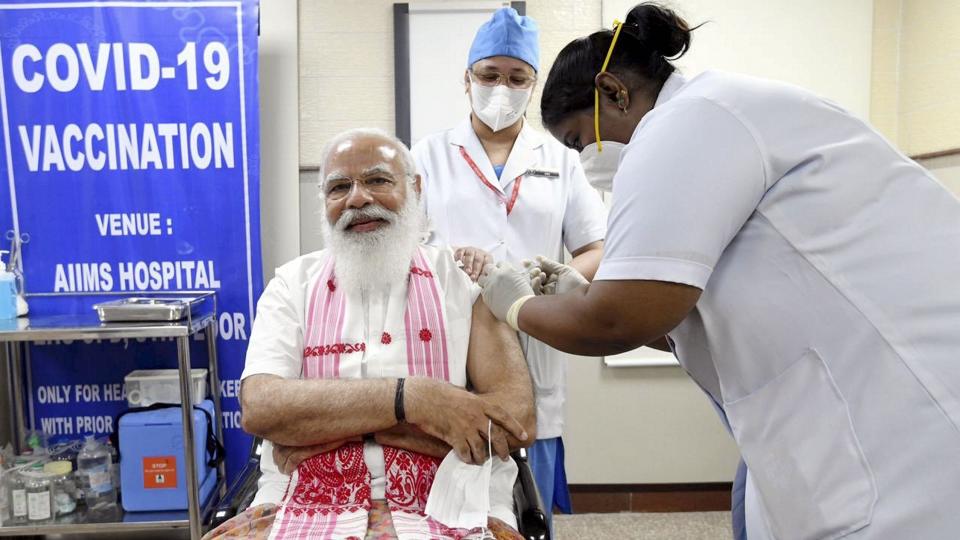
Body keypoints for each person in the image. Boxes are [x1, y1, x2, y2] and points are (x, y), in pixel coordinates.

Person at [478, 2, 960, 539]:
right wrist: (577, 292)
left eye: (578, 140)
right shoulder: (718, 113)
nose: (586, 158)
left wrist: (519, 306)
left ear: (613, 91)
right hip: (822, 399)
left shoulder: (689, 122)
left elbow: (617, 322)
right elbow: (684, 317)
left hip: (900, 417)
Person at [204, 128, 535, 540]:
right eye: (339, 187)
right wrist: (416, 400)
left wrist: (329, 425)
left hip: (449, 501)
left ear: (414, 188)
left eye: (377, 180)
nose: (357, 198)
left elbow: (514, 420)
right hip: (302, 499)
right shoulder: (292, 285)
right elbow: (262, 409)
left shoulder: (466, 282)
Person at [411, 7, 608, 526]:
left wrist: (553, 280)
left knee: (528, 498)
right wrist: (447, 262)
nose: (502, 87)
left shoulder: (561, 157)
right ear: (467, 78)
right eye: (489, 74)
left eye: (517, 78)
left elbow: (596, 246)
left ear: (533, 84)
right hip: (450, 338)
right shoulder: (427, 156)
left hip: (534, 334)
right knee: (449, 496)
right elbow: (403, 249)